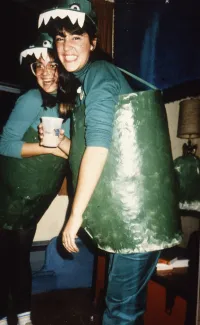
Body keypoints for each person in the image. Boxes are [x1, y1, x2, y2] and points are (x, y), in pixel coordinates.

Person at [38, 2, 182, 324]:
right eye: (61, 38)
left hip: (137, 218)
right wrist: (60, 142)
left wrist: (73, 218)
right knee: (123, 309)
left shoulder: (100, 75)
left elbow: (99, 151)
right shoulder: (87, 83)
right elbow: (97, 148)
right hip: (130, 216)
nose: (66, 48)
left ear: (93, 41)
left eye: (76, 37)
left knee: (120, 313)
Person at [0, 33, 74, 325]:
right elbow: (4, 145)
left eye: (51, 65)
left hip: (35, 195)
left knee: (19, 255)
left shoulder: (73, 102)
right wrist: (51, 146)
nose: (45, 72)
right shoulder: (32, 99)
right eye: (38, 66)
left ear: (62, 67)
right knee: (7, 257)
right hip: (11, 192)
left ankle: (23, 313)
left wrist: (60, 146)